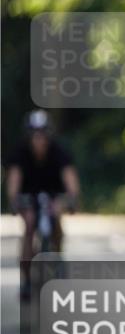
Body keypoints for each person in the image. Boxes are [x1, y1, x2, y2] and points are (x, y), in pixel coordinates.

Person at [5, 110, 80, 301]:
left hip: (53, 196)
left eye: (43, 134)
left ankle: (57, 258)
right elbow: (14, 180)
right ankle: (26, 279)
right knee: (29, 225)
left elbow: (70, 180)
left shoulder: (59, 151)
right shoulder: (19, 153)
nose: (39, 139)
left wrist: (70, 199)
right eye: (35, 134)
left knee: (56, 223)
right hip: (28, 198)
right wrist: (14, 200)